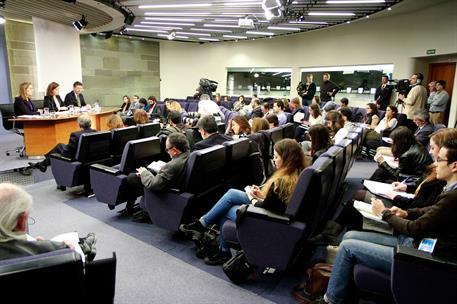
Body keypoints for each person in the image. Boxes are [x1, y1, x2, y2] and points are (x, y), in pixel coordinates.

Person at [318, 139, 457, 304]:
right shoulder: (450, 191)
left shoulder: (453, 197)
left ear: (454, 165)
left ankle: (332, 300)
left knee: (348, 248)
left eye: (439, 159)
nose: (435, 163)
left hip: (421, 256)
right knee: (349, 236)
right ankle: (342, 292)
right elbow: (429, 211)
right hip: (414, 244)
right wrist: (406, 212)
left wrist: (385, 213)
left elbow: (415, 228)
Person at [180, 139, 311, 265]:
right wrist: (260, 195)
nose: (274, 160)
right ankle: (205, 228)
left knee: (226, 211)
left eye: (276, 157)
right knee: (232, 193)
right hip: (276, 214)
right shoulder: (296, 174)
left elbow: (266, 207)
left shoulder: (282, 181)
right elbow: (276, 203)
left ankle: (220, 248)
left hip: (269, 221)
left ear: (287, 159)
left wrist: (252, 196)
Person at [0, 183, 97, 261]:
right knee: (71, 243)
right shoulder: (55, 250)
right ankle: (82, 246)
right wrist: (44, 246)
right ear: (21, 221)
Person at [124, 133, 190, 216]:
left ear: (174, 151)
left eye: (167, 149)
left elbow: (153, 185)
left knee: (132, 177)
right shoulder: (188, 155)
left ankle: (147, 206)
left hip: (167, 194)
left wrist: (144, 172)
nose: (167, 151)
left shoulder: (172, 166)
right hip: (177, 185)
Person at [28, 114, 96, 173]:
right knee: (60, 145)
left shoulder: (76, 135)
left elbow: (67, 152)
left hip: (76, 158)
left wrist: (64, 150)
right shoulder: (96, 132)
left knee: (58, 147)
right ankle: (42, 164)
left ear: (80, 125)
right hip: (90, 157)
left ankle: (43, 164)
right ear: (90, 123)